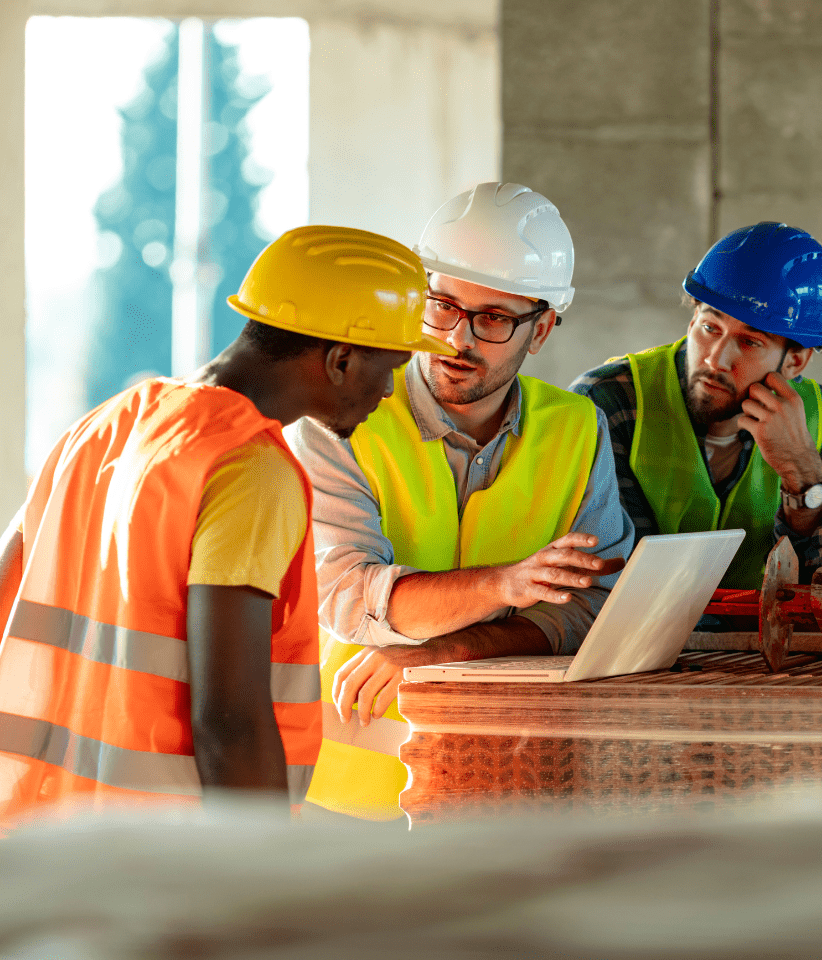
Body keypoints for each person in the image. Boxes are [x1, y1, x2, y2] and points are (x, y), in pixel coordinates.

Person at [0, 225, 453, 825]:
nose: (390, 390)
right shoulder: (249, 468)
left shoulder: (103, 427)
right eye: (390, 366)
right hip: (162, 855)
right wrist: (256, 881)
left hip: (37, 835)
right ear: (342, 359)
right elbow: (229, 724)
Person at [288, 182, 633, 822]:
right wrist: (506, 586)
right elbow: (346, 598)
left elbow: (593, 612)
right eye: (442, 305)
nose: (457, 338)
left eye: (495, 318)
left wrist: (451, 651)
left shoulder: (577, 429)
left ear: (543, 328)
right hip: (344, 791)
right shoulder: (338, 418)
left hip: (510, 786)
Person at [571, 221, 822, 590]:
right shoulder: (609, 402)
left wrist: (804, 477)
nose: (716, 359)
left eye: (749, 342)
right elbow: (617, 578)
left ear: (795, 362)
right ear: (693, 316)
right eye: (710, 329)